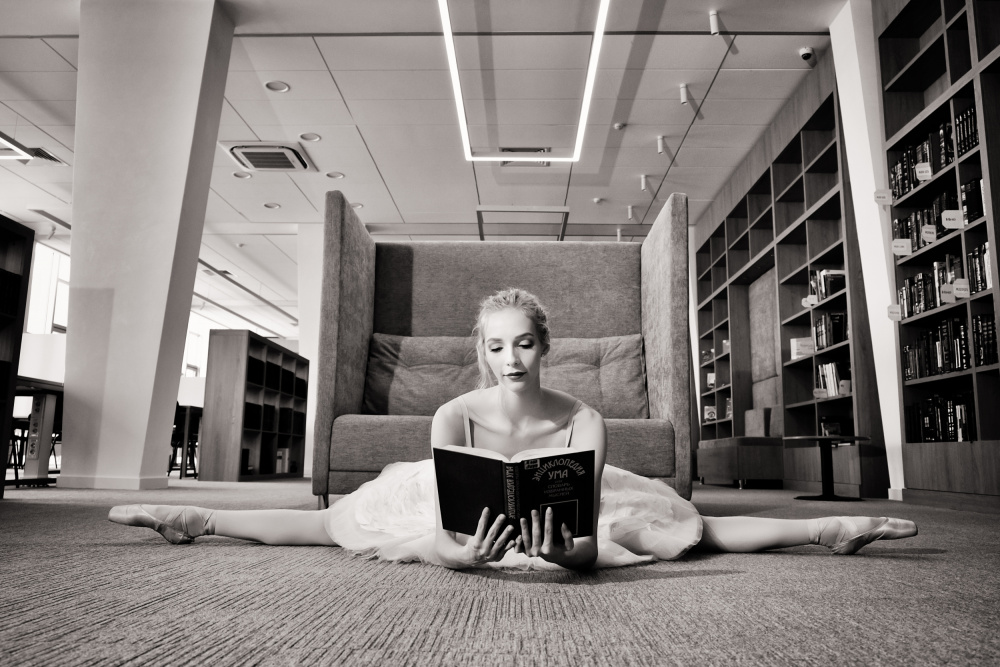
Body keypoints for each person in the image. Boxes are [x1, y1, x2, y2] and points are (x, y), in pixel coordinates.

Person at [110, 288, 917, 570]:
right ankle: (200, 517)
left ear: (545, 346)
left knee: (690, 527)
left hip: (574, 511)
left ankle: (828, 526)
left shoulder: (585, 417)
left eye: (524, 343)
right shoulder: (453, 412)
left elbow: (586, 527)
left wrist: (573, 554)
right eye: (495, 346)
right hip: (456, 505)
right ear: (481, 351)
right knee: (330, 523)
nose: (510, 359)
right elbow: (452, 504)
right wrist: (442, 550)